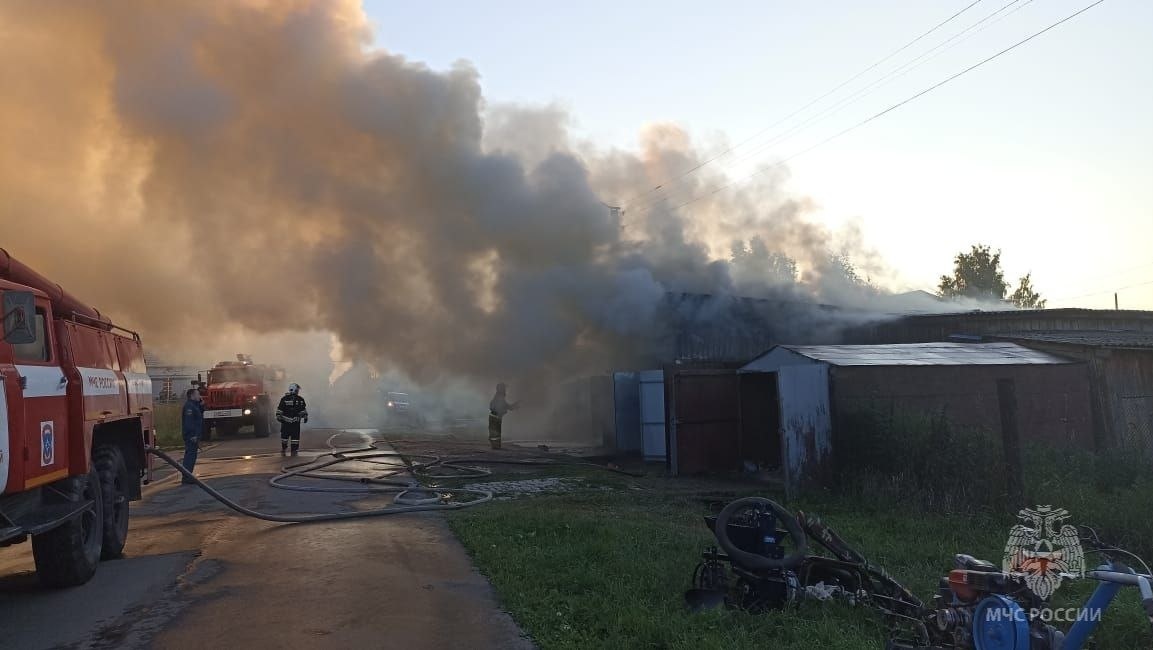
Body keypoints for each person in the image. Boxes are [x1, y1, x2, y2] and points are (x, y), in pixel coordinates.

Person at [276, 382, 309, 456]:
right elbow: (280, 409)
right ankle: (285, 448)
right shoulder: (286, 399)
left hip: (292, 423)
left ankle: (293, 450)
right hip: (288, 423)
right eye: (297, 390)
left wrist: (305, 416)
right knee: (285, 438)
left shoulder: (299, 399)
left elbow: (303, 409)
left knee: (295, 438)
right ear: (294, 390)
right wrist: (278, 416)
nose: (298, 391)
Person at [181, 387, 204, 484]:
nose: (199, 396)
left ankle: (188, 476)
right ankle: (186, 477)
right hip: (191, 436)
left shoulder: (194, 405)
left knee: (192, 456)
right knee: (190, 457)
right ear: (192, 396)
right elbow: (189, 423)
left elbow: (199, 415)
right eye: (197, 394)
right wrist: (193, 435)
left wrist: (201, 404)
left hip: (194, 436)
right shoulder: (189, 407)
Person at [488, 383, 518, 450]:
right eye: (504, 388)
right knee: (495, 432)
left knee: (495, 432)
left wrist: (514, 406)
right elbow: (506, 406)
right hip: (495, 417)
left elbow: (507, 406)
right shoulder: (499, 397)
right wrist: (514, 406)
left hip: (495, 417)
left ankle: (496, 446)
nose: (505, 390)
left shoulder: (498, 397)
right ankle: (495, 446)